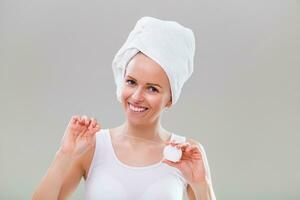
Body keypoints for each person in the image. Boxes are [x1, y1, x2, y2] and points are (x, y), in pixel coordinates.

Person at [32, 16, 216, 200]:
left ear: (170, 99)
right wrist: (64, 155)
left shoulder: (187, 154)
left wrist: (202, 183)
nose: (136, 97)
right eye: (131, 82)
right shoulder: (92, 146)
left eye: (152, 88)